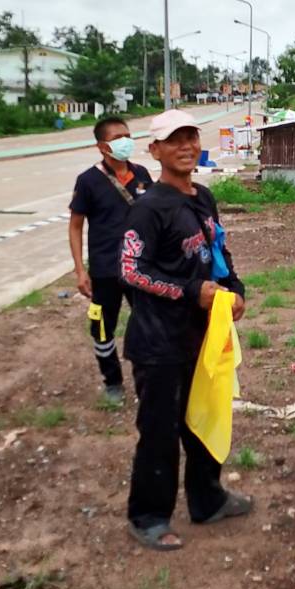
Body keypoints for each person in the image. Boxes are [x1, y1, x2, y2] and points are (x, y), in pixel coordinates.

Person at [120, 108, 249, 549]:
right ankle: (148, 516)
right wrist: (191, 291)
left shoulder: (203, 197)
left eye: (191, 137)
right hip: (159, 343)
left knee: (203, 421)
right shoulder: (148, 208)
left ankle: (207, 500)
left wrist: (234, 288)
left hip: (202, 339)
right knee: (160, 433)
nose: (186, 146)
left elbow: (218, 250)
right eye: (174, 139)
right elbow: (131, 271)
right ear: (154, 150)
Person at [68, 114, 153, 406]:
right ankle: (112, 382)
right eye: (117, 138)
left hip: (141, 268)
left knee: (148, 324)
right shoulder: (88, 181)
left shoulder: (142, 174)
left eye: (127, 136)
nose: (125, 142)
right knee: (102, 328)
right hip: (105, 270)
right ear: (102, 146)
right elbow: (75, 226)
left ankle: (148, 381)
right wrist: (80, 270)